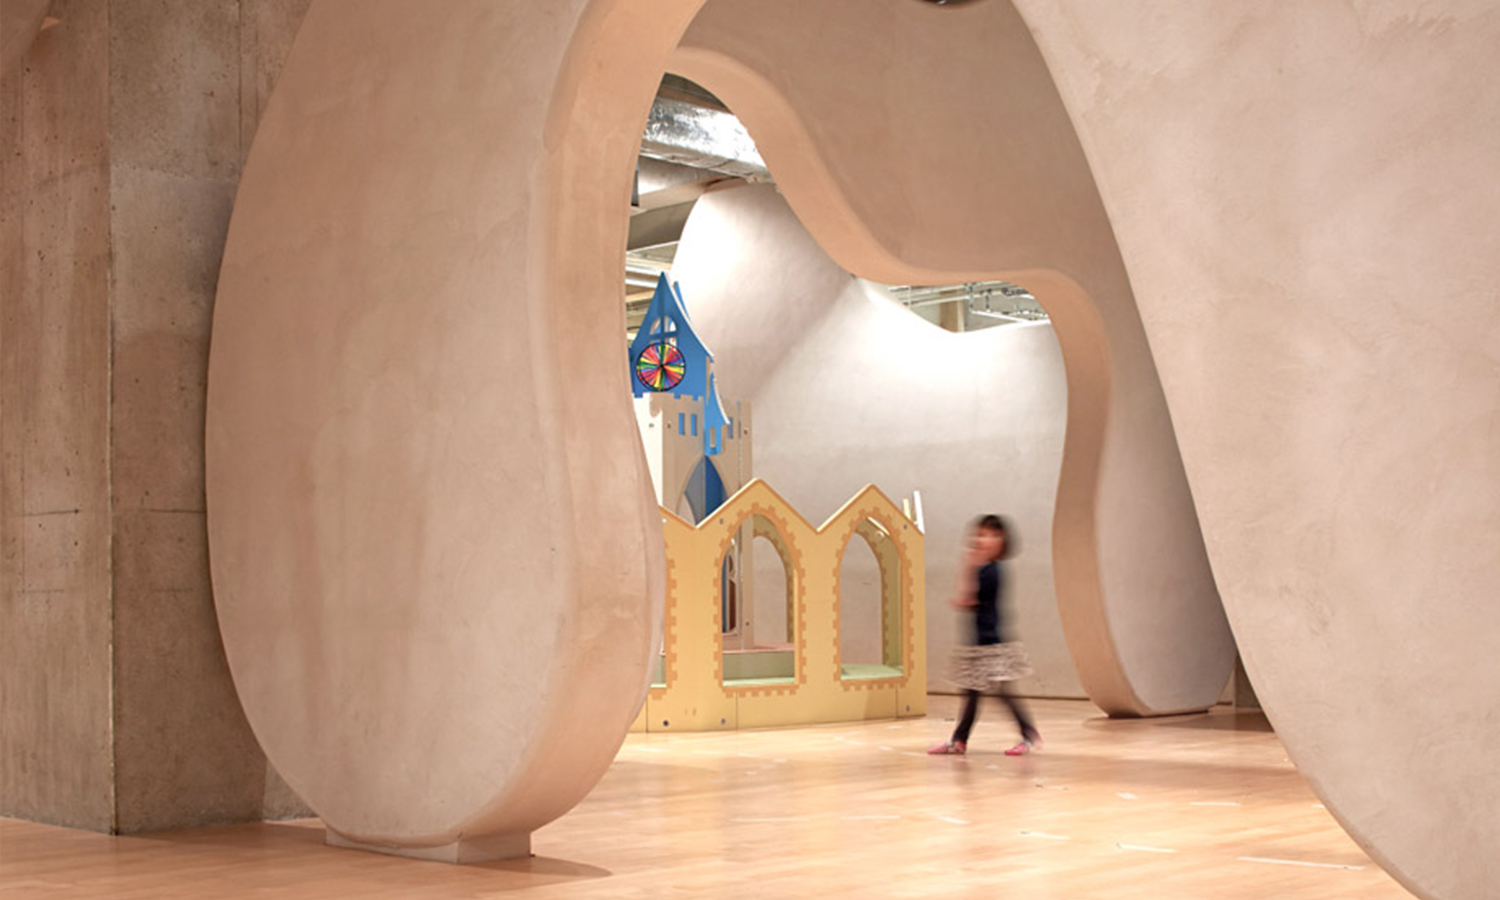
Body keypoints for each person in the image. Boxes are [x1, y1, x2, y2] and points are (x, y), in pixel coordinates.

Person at [928, 514, 1040, 756]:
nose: (985, 540)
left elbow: (969, 598)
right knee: (971, 693)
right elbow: (968, 601)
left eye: (992, 535)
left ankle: (1028, 734)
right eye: (980, 534)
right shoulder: (984, 569)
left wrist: (969, 567)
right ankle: (959, 740)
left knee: (1000, 692)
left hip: (992, 643)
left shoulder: (992, 571)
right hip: (978, 642)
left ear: (1003, 541)